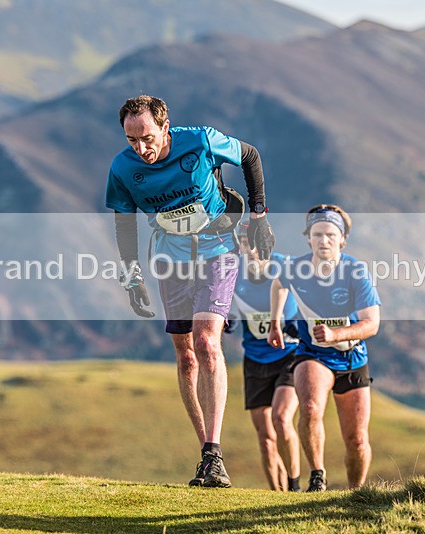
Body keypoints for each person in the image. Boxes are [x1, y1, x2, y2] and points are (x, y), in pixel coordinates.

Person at [105, 95, 276, 488]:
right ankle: (207, 455)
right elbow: (124, 221)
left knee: (206, 341)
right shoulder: (123, 167)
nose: (141, 148)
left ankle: (214, 452)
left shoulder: (200, 141)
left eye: (147, 137)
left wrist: (259, 216)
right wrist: (132, 276)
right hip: (170, 256)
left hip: (218, 249)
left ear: (165, 127)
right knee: (185, 358)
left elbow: (250, 156)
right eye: (132, 140)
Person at [268, 204, 381, 491]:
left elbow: (372, 324)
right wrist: (275, 322)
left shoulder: (355, 271)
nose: (324, 240)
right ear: (308, 237)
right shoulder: (296, 267)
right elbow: (278, 284)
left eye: (330, 234)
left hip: (352, 357)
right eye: (317, 234)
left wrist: (336, 334)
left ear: (342, 239)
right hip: (314, 354)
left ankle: (356, 493)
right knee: (309, 407)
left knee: (356, 439)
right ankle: (317, 476)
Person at [226, 221, 302, 491]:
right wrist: (227, 318)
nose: (252, 250)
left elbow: (314, 295)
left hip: (290, 354)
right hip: (255, 359)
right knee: (266, 437)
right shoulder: (233, 272)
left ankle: (295, 489)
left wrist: (299, 323)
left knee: (281, 419)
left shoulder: (286, 266)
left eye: (257, 243)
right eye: (246, 244)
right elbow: (221, 301)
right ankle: (276, 494)